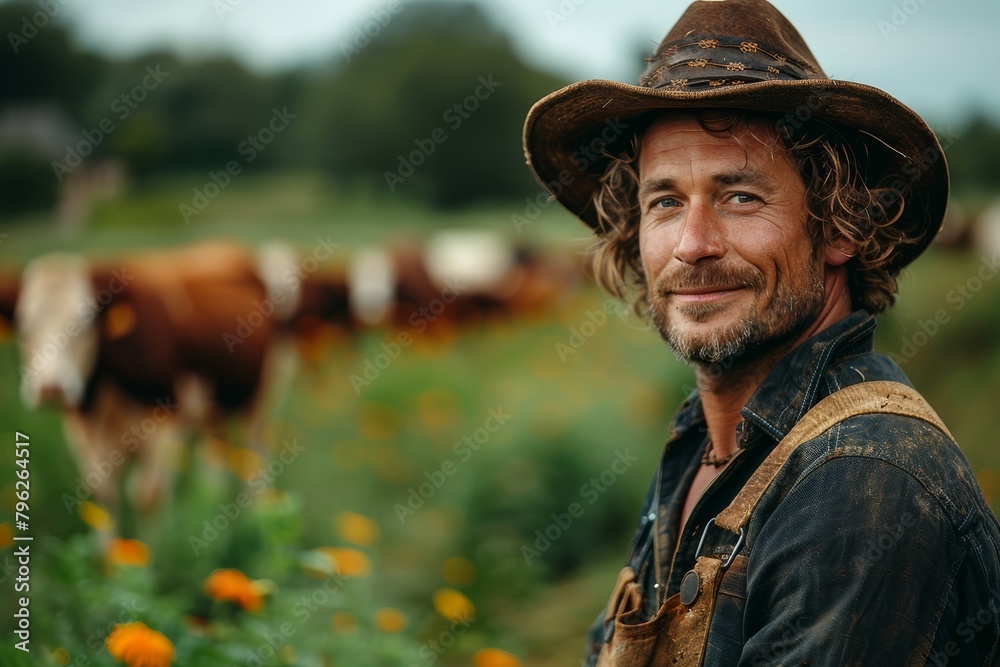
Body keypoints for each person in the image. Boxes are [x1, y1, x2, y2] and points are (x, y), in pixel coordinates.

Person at [522, 0, 1000, 664]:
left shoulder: (865, 483)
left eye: (739, 196)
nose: (693, 245)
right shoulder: (706, 445)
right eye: (665, 201)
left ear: (841, 225)